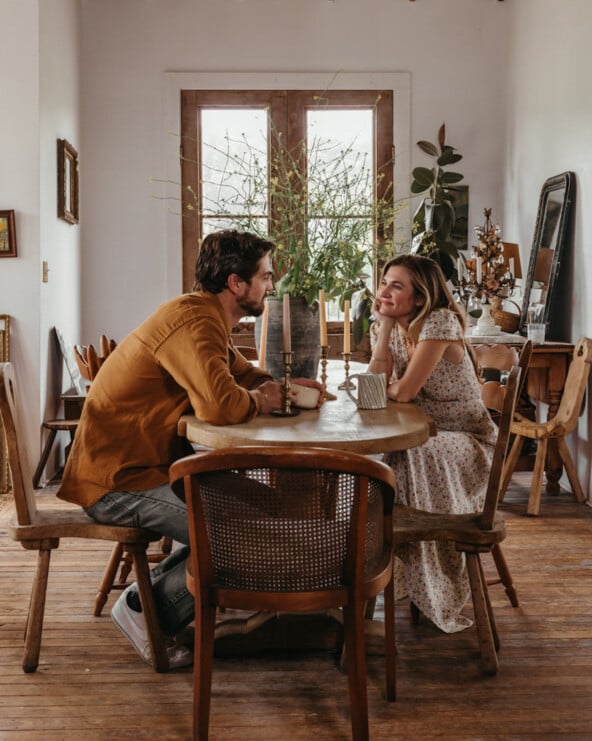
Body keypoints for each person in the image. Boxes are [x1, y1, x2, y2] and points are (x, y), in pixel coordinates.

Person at [58, 229, 322, 667]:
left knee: (264, 504)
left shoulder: (205, 318)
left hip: (152, 469)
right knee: (238, 536)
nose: (271, 285)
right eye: (266, 276)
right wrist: (264, 400)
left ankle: (151, 592)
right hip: (117, 481)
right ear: (236, 284)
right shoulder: (195, 322)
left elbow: (241, 374)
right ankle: (148, 611)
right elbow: (220, 405)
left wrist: (280, 387)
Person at [367, 253, 498, 633]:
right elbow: (377, 390)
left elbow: (402, 393)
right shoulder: (397, 327)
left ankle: (411, 558)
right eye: (384, 282)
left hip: (469, 444)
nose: (385, 291)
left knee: (403, 454)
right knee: (388, 455)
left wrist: (390, 388)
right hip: (432, 438)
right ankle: (385, 553)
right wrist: (385, 328)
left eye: (396, 285)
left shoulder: (439, 322)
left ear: (420, 296)